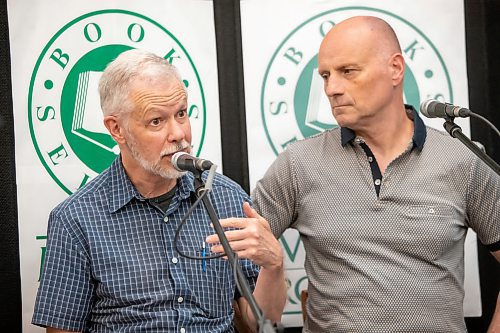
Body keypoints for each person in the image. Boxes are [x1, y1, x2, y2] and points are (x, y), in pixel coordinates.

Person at [246, 16, 500, 332]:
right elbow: (245, 295)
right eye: (325, 75)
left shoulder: (462, 159)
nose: (331, 88)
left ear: (395, 68)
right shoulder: (298, 163)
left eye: (348, 71)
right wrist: (271, 269)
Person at [32, 49, 287, 333]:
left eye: (181, 114)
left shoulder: (225, 196)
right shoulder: (76, 219)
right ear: (117, 129)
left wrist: (274, 265)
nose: (178, 134)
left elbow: (262, 325)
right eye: (156, 121)